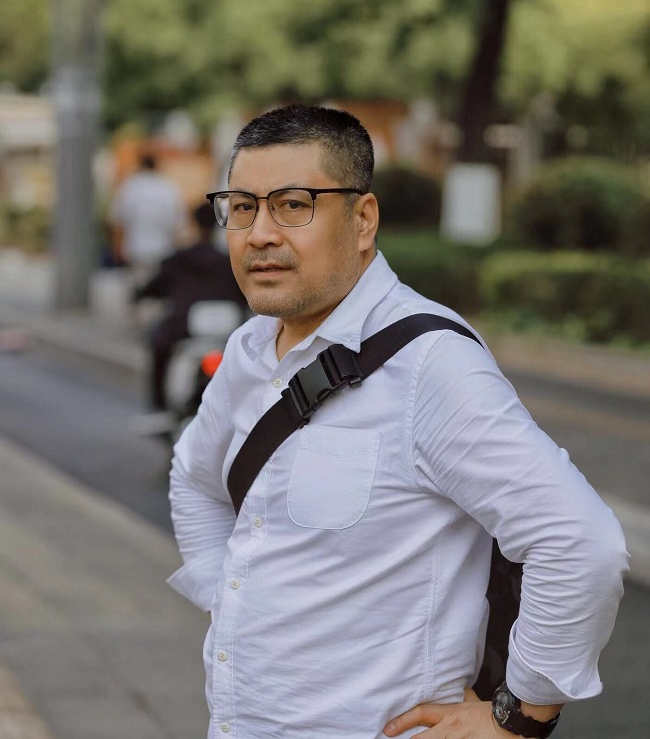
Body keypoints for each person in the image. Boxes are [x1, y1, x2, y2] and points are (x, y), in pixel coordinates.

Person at [167, 104, 628, 739]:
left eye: (294, 205)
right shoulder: (249, 350)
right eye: (242, 207)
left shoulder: (430, 363)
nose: (260, 233)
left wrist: (520, 715)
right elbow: (193, 477)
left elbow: (578, 542)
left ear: (363, 220)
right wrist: (230, 601)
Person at [134, 202, 247, 413]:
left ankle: (159, 405)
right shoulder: (229, 262)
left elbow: (154, 287)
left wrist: (139, 294)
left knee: (159, 345)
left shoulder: (178, 260)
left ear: (193, 224)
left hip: (182, 327)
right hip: (228, 329)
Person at [109, 152, 186, 278]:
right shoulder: (168, 188)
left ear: (140, 165)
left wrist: (117, 248)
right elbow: (177, 224)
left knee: (137, 284)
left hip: (135, 250)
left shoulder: (129, 186)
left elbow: (117, 221)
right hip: (163, 250)